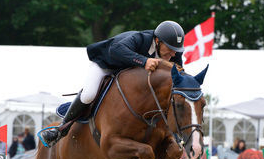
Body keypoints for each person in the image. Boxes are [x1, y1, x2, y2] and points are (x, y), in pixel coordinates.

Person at [39, 21, 185, 148]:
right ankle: (61, 129)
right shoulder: (140, 39)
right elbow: (115, 50)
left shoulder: (174, 53)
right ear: (158, 40)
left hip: (130, 75)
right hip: (107, 64)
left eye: (176, 50)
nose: (173, 54)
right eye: (170, 49)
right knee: (89, 94)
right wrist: (144, 61)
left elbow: (178, 78)